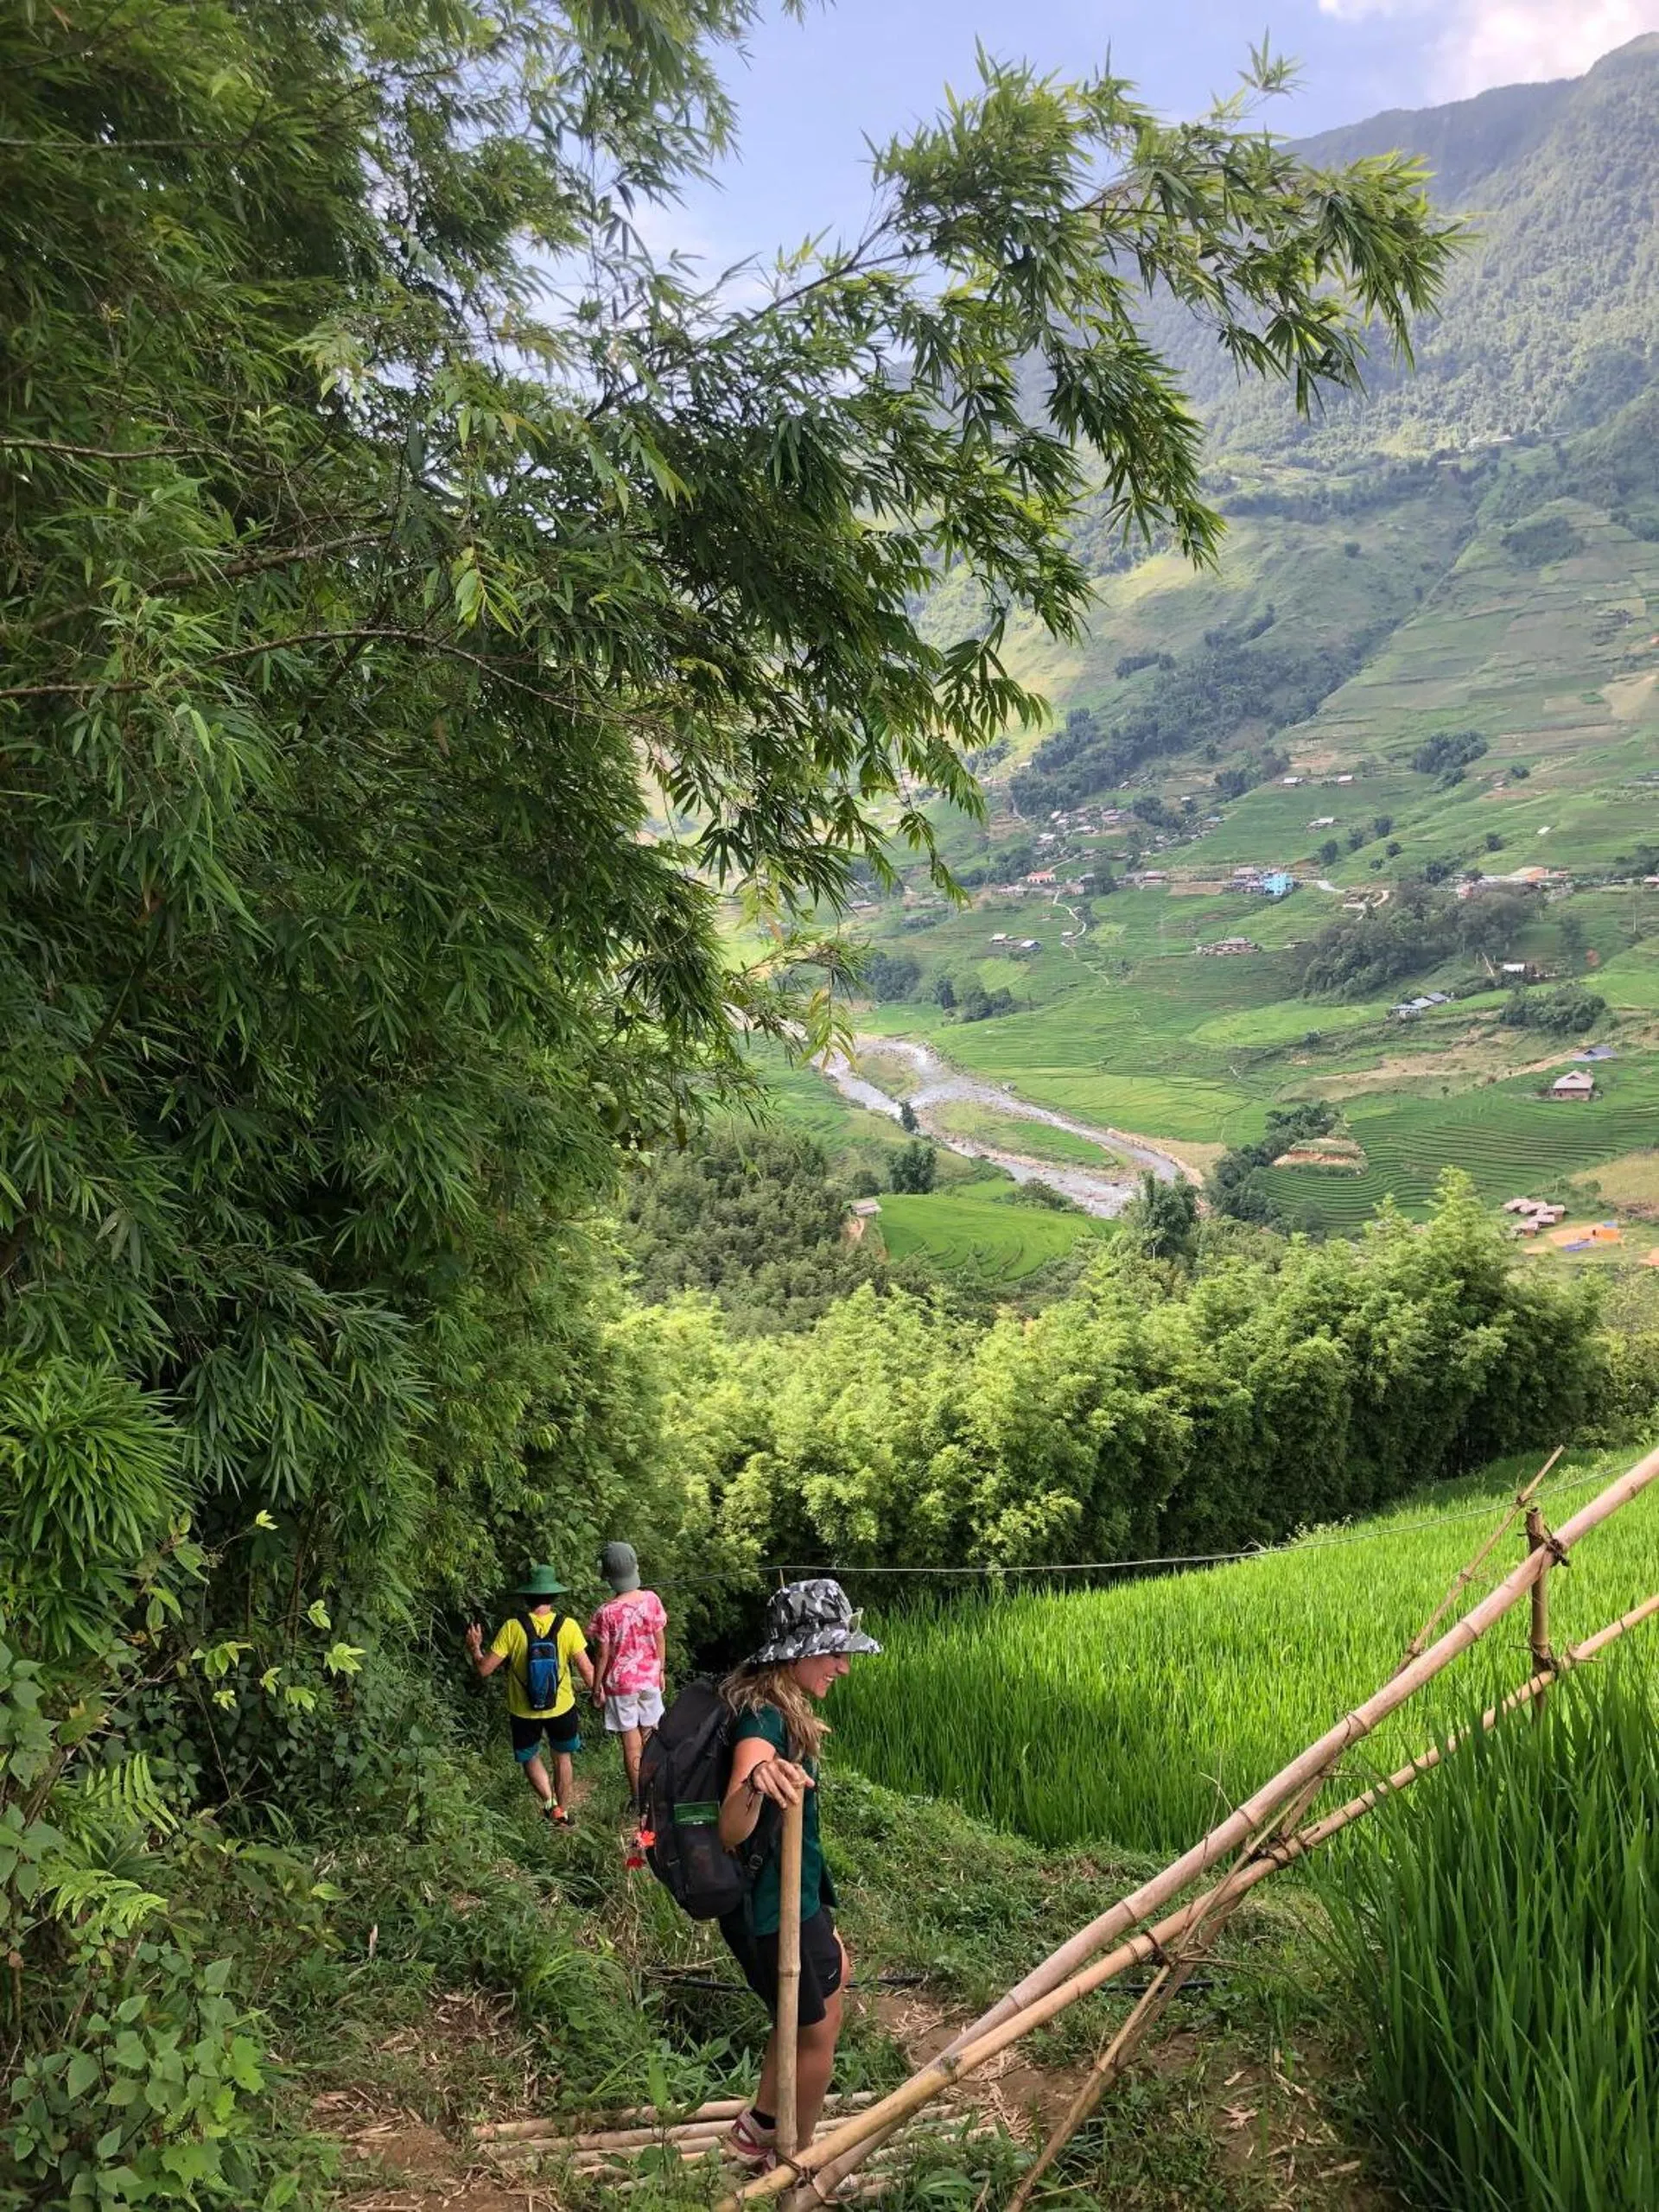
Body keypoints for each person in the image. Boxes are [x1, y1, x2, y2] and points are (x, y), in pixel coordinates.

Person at [715, 1579, 880, 2169]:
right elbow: (733, 1827)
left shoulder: (780, 1707)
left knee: (830, 1989)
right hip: (770, 1911)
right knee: (816, 2040)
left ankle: (760, 2124)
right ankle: (792, 2158)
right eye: (834, 1652)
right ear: (798, 1650)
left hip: (798, 1899)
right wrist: (755, 1784)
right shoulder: (763, 1724)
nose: (843, 1666)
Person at [465, 1564, 594, 1827]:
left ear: (527, 1596)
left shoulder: (513, 1628)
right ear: (554, 1596)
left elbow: (484, 1669)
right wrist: (599, 1694)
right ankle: (564, 1811)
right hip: (562, 1707)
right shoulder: (568, 1626)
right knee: (563, 1757)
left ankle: (549, 1803)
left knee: (530, 1756)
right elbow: (588, 1671)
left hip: (523, 1710)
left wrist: (475, 1648)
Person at [587, 1541, 668, 1802]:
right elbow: (660, 1639)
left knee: (630, 1742)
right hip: (650, 1679)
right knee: (651, 1737)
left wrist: (596, 1685)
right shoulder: (652, 1600)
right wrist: (661, 1670)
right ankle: (657, 1792)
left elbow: (602, 1654)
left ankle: (639, 1798)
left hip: (620, 1685)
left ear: (609, 1577)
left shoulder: (606, 1612)